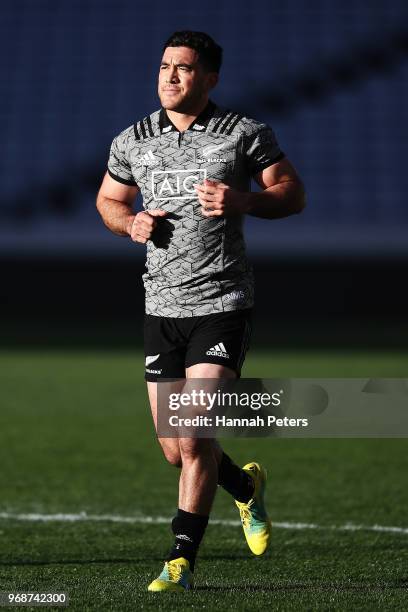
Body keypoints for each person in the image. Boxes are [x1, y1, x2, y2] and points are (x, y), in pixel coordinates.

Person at [96, 30, 305, 592]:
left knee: (193, 436)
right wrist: (130, 223)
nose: (170, 76)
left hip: (222, 303)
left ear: (210, 79)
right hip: (160, 307)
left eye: (184, 69)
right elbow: (109, 201)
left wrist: (245, 201)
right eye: (164, 66)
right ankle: (244, 487)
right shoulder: (132, 140)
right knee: (176, 449)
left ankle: (180, 559)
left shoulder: (243, 134)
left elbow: (292, 192)